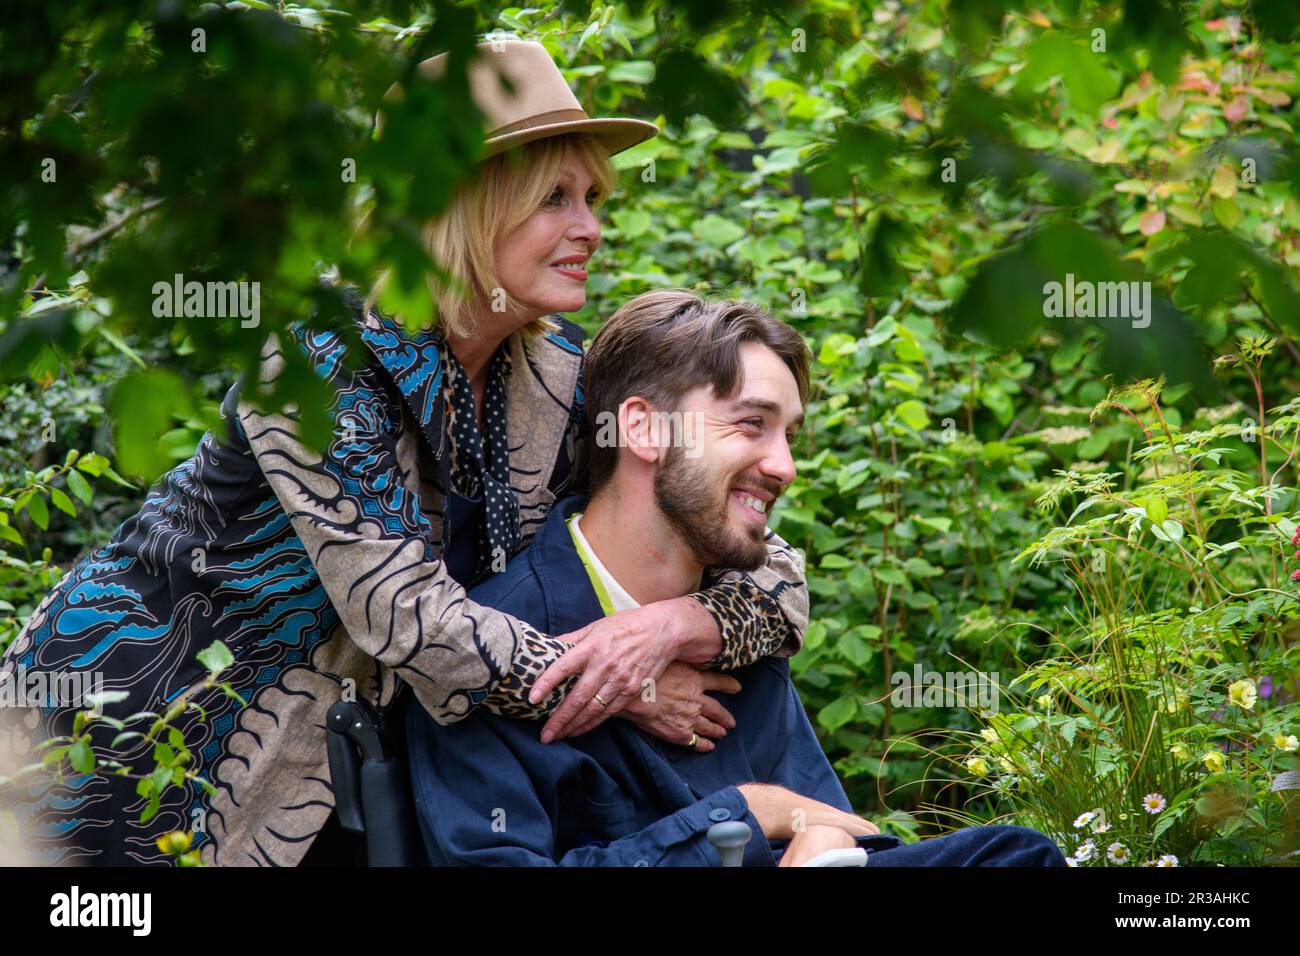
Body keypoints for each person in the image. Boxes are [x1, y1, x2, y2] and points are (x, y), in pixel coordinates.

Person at [0, 41, 809, 866]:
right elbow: (409, 618)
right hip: (122, 725)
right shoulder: (320, 363)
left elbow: (764, 564)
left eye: (593, 196)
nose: (591, 227)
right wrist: (620, 682)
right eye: (555, 199)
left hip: (354, 754)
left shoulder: (558, 373)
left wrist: (685, 622)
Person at [406, 290, 1066, 866]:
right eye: (752, 424)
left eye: (788, 434)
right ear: (643, 427)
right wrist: (746, 812)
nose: (784, 466)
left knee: (1016, 855)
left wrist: (820, 839)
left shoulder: (735, 629)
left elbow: (840, 826)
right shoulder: (481, 657)